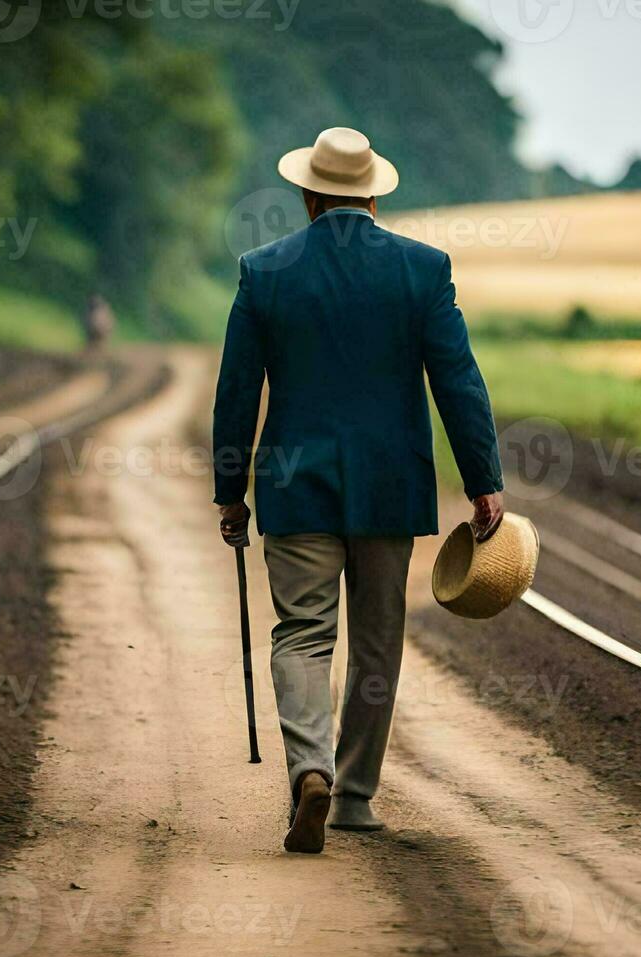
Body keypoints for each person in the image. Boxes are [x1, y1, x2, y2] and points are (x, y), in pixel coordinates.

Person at [212, 127, 504, 854]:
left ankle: (308, 769)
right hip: (388, 487)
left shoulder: (263, 272)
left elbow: (236, 393)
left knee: (303, 636)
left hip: (295, 487)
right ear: (373, 193)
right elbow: (458, 382)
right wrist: (483, 482)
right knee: (377, 644)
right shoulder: (423, 270)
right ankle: (353, 799)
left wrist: (229, 490)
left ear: (308, 194)